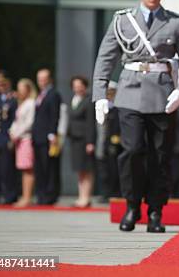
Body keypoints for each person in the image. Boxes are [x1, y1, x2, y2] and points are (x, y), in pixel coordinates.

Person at [92, 0, 179, 233]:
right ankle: (131, 205)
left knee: (160, 155)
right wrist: (99, 96)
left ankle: (155, 211)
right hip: (130, 93)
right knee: (132, 151)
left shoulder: (174, 22)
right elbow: (105, 59)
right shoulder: (123, 21)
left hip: (164, 96)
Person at [32, 68, 62, 205]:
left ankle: (50, 195)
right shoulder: (40, 95)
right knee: (40, 167)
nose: (42, 82)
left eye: (44, 79)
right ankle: (41, 194)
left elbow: (54, 115)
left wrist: (52, 134)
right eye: (40, 79)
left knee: (49, 167)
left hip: (48, 137)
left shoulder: (53, 94)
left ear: (50, 79)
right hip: (38, 136)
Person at [67, 76, 96, 208]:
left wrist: (90, 142)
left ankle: (86, 197)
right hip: (75, 139)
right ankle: (81, 197)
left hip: (85, 140)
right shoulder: (73, 100)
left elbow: (91, 123)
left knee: (87, 170)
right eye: (75, 85)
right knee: (80, 170)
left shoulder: (88, 100)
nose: (77, 88)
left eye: (80, 85)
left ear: (85, 86)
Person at [9, 78, 38, 207]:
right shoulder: (22, 103)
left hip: (26, 138)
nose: (20, 91)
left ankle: (27, 197)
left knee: (28, 169)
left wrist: (17, 134)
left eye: (22, 88)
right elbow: (17, 121)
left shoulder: (31, 103)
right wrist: (12, 131)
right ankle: (25, 196)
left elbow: (29, 123)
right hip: (19, 139)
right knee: (23, 169)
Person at [0, 74, 18, 204]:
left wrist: (12, 138)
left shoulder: (12, 99)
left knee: (6, 169)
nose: (1, 85)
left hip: (6, 138)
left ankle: (9, 195)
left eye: (4, 83)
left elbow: (14, 119)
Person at [98, 82, 122, 202]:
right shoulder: (104, 106)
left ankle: (115, 192)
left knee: (114, 169)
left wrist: (116, 138)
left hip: (114, 142)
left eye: (112, 92)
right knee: (104, 170)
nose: (109, 94)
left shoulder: (117, 108)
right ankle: (106, 193)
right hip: (104, 142)